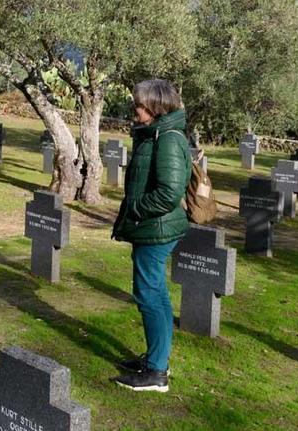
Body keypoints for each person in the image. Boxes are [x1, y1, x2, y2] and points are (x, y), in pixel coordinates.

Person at [111, 79, 191, 392]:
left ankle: (156, 372)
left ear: (156, 108)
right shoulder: (155, 133)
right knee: (153, 292)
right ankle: (155, 358)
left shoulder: (168, 138)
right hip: (152, 227)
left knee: (149, 294)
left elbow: (169, 192)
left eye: (140, 104)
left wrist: (136, 210)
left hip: (156, 229)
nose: (135, 109)